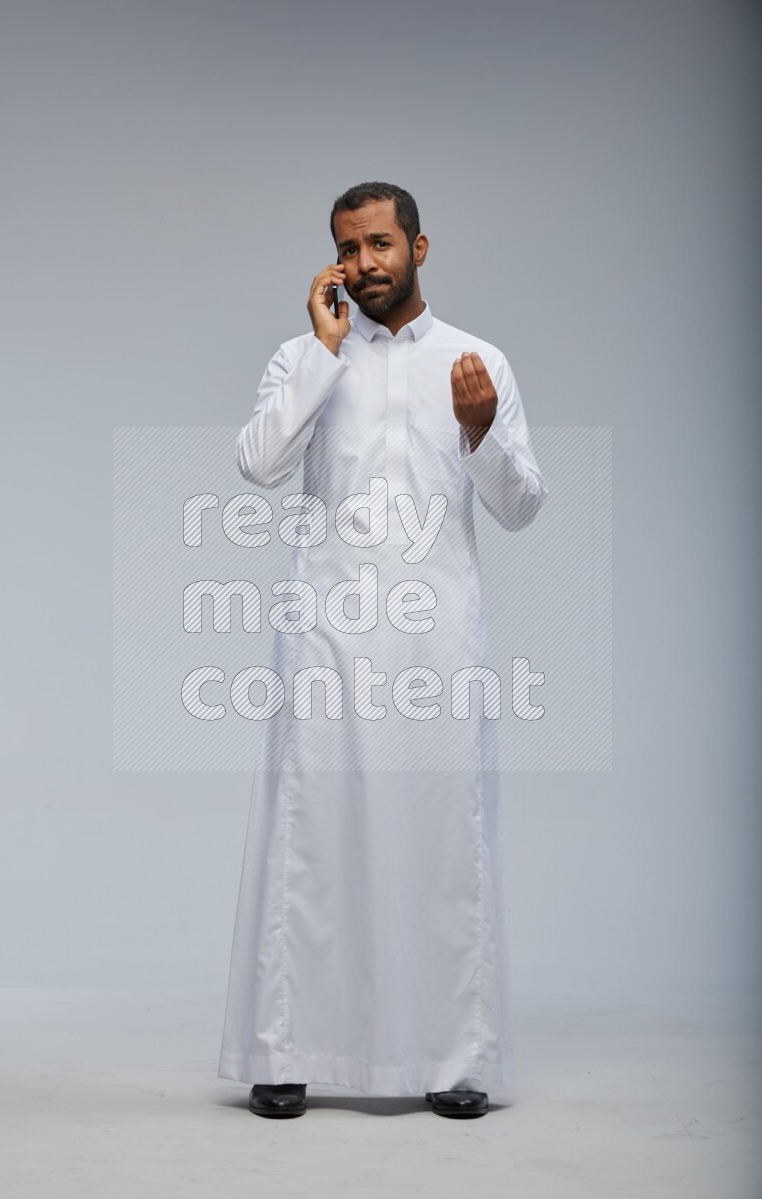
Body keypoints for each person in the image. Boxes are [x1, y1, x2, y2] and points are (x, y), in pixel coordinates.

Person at [218, 181, 548, 1119]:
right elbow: (260, 464)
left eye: (377, 245)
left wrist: (482, 430)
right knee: (309, 837)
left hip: (438, 636)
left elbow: (521, 508)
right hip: (327, 633)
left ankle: (454, 1058)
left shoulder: (477, 359)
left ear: (420, 246)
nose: (361, 264)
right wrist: (323, 360)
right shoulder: (303, 355)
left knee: (446, 840)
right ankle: (285, 1050)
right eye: (345, 248)